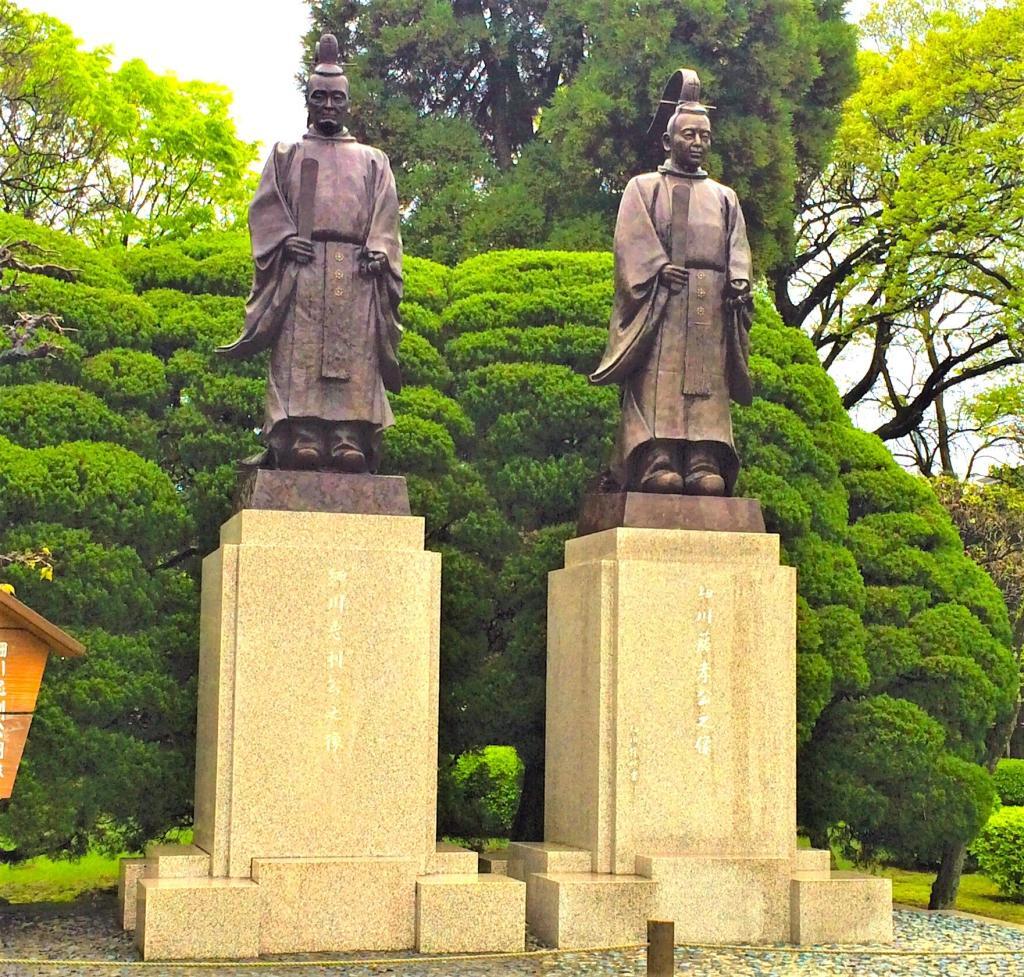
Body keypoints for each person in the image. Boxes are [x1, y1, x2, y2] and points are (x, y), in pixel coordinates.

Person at [218, 34, 402, 473]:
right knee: (298, 354)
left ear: (348, 103)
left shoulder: (373, 160)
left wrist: (378, 250)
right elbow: (265, 209)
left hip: (355, 272)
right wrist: (285, 240)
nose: (328, 106)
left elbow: (387, 217)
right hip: (302, 267)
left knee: (356, 357)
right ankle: (302, 434)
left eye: (337, 98)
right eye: (320, 97)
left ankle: (347, 437)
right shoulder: (288, 155)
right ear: (308, 101)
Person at [591, 69, 753, 496]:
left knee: (708, 382)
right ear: (668, 141)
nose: (698, 142)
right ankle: (656, 457)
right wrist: (659, 268)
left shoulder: (724, 197)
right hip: (662, 301)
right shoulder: (644, 188)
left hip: (710, 302)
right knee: (658, 378)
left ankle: (704, 459)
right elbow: (631, 242)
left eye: (705, 136)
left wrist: (738, 281)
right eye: (689, 135)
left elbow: (738, 246)